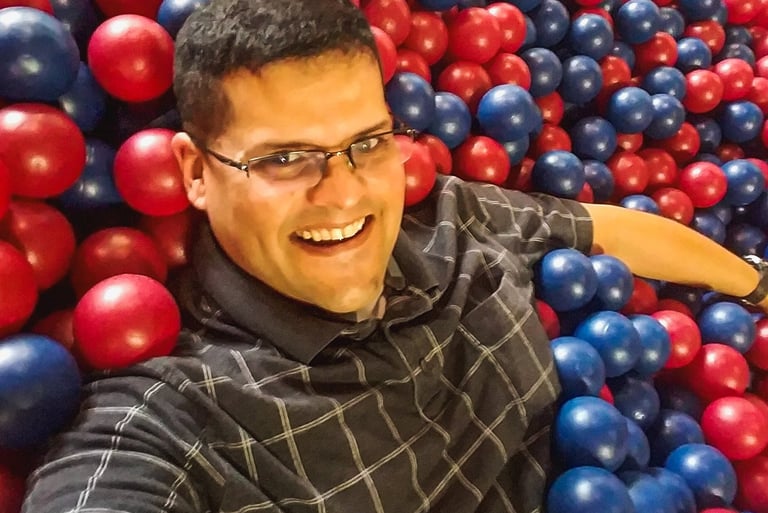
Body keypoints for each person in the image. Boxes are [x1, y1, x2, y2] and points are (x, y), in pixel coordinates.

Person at [21, 0, 768, 512]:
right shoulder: (177, 421)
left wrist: (755, 284)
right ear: (192, 172)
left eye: (366, 143)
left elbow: (606, 228)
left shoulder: (448, 212)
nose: (343, 193)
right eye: (287, 157)